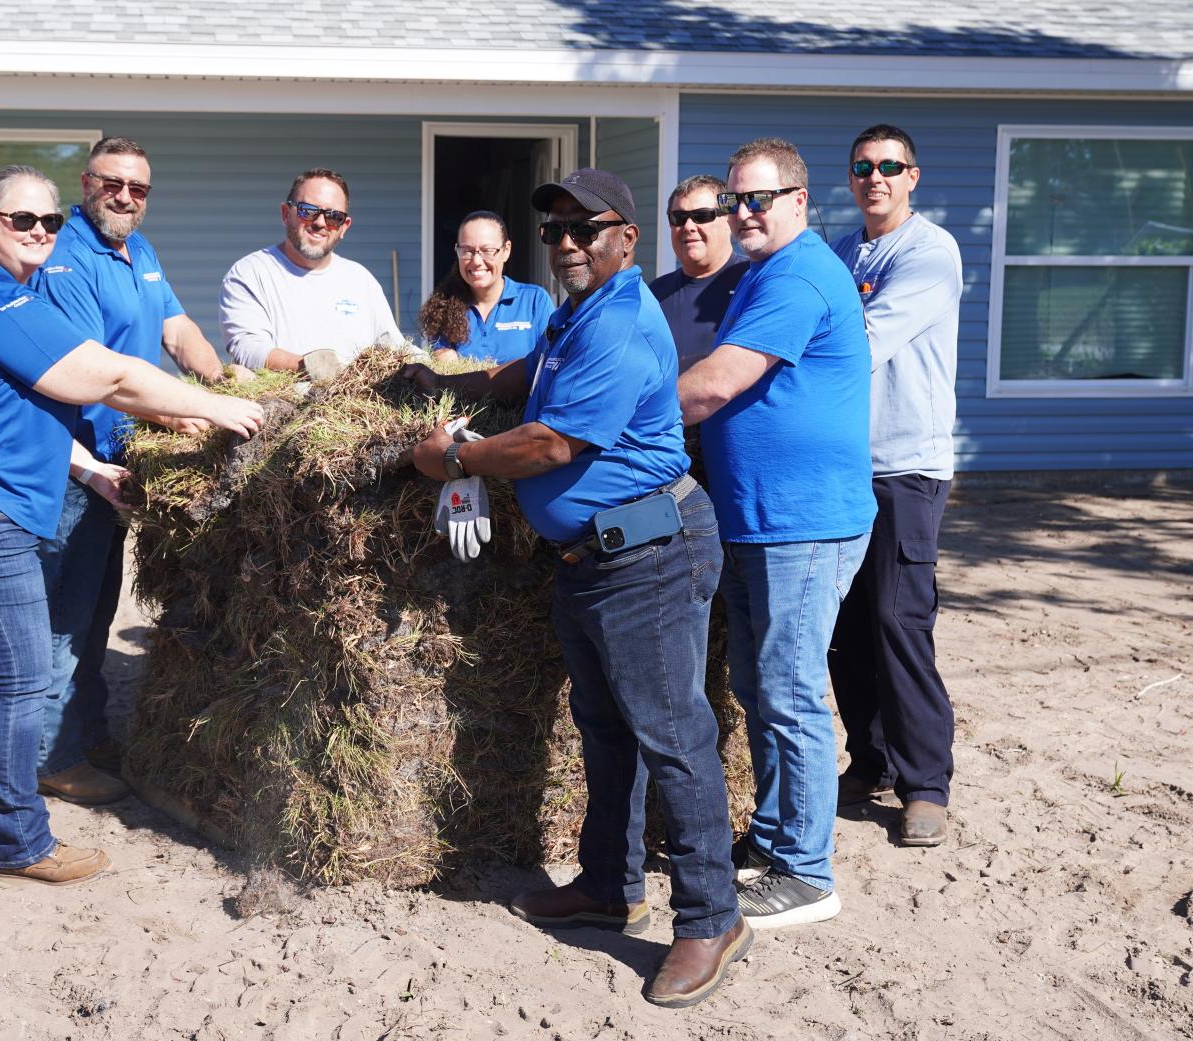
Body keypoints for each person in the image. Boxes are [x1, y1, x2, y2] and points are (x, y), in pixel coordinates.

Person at [403, 168, 750, 1009]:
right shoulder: (576, 315)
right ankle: (606, 881)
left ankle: (711, 916)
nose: (565, 243)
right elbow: (534, 370)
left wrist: (452, 456)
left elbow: (554, 444)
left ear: (625, 239)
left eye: (583, 228)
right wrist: (461, 386)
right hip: (595, 560)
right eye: (554, 229)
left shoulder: (622, 325)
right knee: (605, 728)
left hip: (650, 558)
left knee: (671, 733)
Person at [0, 165, 264, 886]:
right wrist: (215, 406)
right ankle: (22, 842)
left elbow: (27, 411)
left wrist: (88, 470)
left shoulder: (9, 298)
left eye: (47, 222)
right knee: (25, 677)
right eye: (19, 219)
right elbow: (105, 376)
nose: (36, 231)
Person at [678, 138, 875, 928]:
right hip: (760, 517)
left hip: (806, 522)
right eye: (736, 200)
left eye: (760, 198)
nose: (745, 212)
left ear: (800, 200)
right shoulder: (763, 271)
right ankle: (775, 836)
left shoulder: (796, 275)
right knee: (760, 688)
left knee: (790, 692)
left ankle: (807, 873)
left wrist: (607, 420)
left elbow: (718, 382)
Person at [30, 136, 242, 806]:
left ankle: (86, 735)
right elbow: (96, 371)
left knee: (96, 609)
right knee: (66, 616)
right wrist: (181, 414)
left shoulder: (139, 252)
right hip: (80, 461)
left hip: (124, 460)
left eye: (138, 188)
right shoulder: (67, 256)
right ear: (86, 182)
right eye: (112, 183)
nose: (124, 196)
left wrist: (228, 385)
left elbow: (179, 334)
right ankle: (53, 756)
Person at [828, 124, 962, 847]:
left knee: (898, 619)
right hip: (846, 462)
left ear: (912, 176)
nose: (874, 177)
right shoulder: (845, 249)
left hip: (907, 466)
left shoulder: (930, 252)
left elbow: (862, 340)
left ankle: (925, 785)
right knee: (847, 627)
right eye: (862, 167)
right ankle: (871, 758)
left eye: (889, 166)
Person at [219, 168, 402, 371]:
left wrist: (437, 362)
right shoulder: (251, 273)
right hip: (282, 401)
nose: (320, 223)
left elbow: (394, 347)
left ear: (344, 227)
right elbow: (247, 349)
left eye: (334, 217)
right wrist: (309, 367)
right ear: (285, 214)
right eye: (308, 210)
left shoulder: (360, 280)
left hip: (354, 401)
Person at [418, 210, 554, 365]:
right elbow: (442, 375)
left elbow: (551, 363)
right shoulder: (443, 306)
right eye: (467, 251)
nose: (476, 261)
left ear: (506, 250)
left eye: (487, 250)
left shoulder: (534, 301)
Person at [649, 174, 749, 370]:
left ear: (728, 220)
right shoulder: (655, 293)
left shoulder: (752, 281)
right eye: (678, 218)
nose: (688, 227)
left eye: (702, 216)